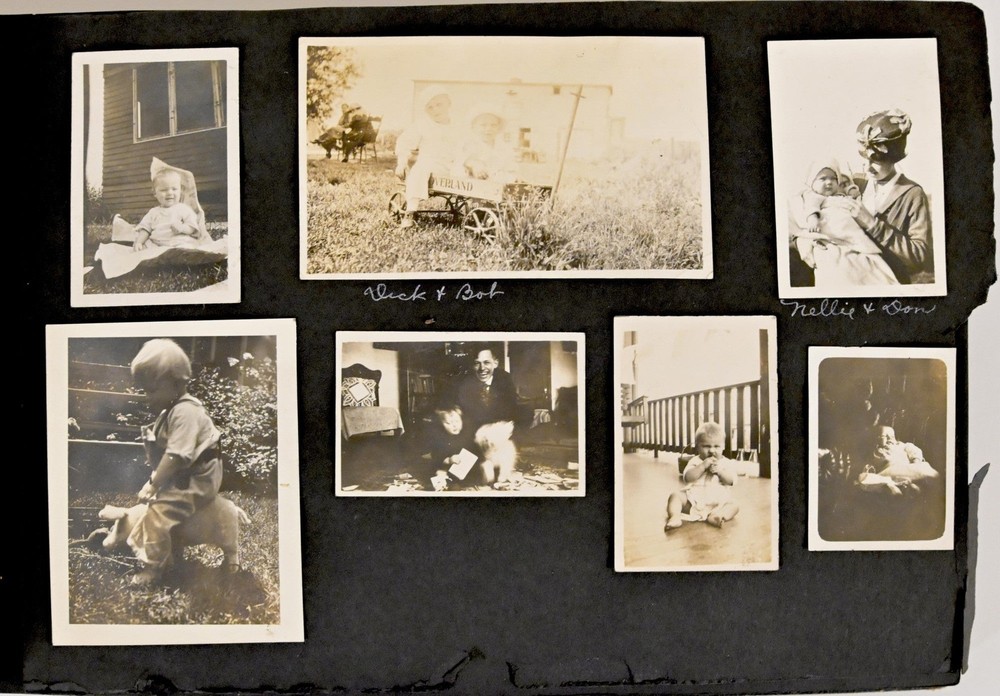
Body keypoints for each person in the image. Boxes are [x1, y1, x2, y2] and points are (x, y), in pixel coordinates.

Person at [126, 339, 223, 586]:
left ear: (177, 382)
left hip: (197, 479)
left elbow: (178, 455)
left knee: (158, 514)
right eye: (144, 391)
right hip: (186, 476)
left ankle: (153, 568)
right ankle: (170, 555)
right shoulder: (171, 410)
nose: (147, 397)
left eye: (151, 390)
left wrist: (153, 483)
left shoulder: (185, 412)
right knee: (160, 506)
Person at [840, 109, 933, 284]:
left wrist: (872, 224)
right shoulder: (855, 183)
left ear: (893, 158)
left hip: (890, 283)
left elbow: (920, 256)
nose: (868, 167)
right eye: (864, 159)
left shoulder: (912, 193)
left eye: (875, 161)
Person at [788, 159, 899, 287]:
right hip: (831, 238)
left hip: (852, 236)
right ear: (812, 183)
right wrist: (813, 219)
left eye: (833, 179)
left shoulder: (839, 196)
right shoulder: (812, 195)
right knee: (838, 266)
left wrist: (852, 191)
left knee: (869, 265)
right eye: (823, 179)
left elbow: (850, 190)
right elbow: (811, 207)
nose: (829, 182)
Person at [394, 87, 458, 228]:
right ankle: (411, 210)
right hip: (431, 164)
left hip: (454, 165)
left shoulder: (458, 125)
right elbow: (404, 142)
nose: (435, 110)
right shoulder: (422, 125)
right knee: (420, 170)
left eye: (439, 104)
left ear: (449, 104)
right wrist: (402, 162)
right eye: (430, 107)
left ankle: (478, 209)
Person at [664, 422, 739, 530]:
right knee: (675, 496)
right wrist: (702, 466)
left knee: (734, 505)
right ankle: (675, 517)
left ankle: (717, 516)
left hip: (718, 503)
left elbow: (731, 481)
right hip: (694, 501)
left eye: (716, 446)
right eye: (706, 446)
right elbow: (687, 478)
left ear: (723, 446)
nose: (712, 450)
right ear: (697, 447)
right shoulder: (695, 461)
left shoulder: (726, 463)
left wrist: (720, 472)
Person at [132, 169, 208, 251]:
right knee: (146, 248)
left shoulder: (183, 209)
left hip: (179, 242)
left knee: (187, 247)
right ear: (155, 193)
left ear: (180, 191)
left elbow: (192, 227)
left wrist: (182, 228)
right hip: (157, 244)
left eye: (174, 189)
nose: (169, 193)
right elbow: (145, 229)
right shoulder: (153, 212)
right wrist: (139, 242)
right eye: (164, 190)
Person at [453, 346, 520, 434]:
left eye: (486, 362)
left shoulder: (505, 380)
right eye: (477, 363)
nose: (482, 368)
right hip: (474, 434)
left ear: (495, 363)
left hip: (500, 432)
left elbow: (510, 412)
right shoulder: (465, 383)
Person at [454, 104, 517, 183]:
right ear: (474, 127)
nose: (488, 129)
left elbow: (512, 170)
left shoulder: (504, 148)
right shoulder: (468, 145)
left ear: (499, 127)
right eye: (483, 125)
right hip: (473, 185)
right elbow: (459, 164)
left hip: (497, 185)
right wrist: (472, 164)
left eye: (493, 125)